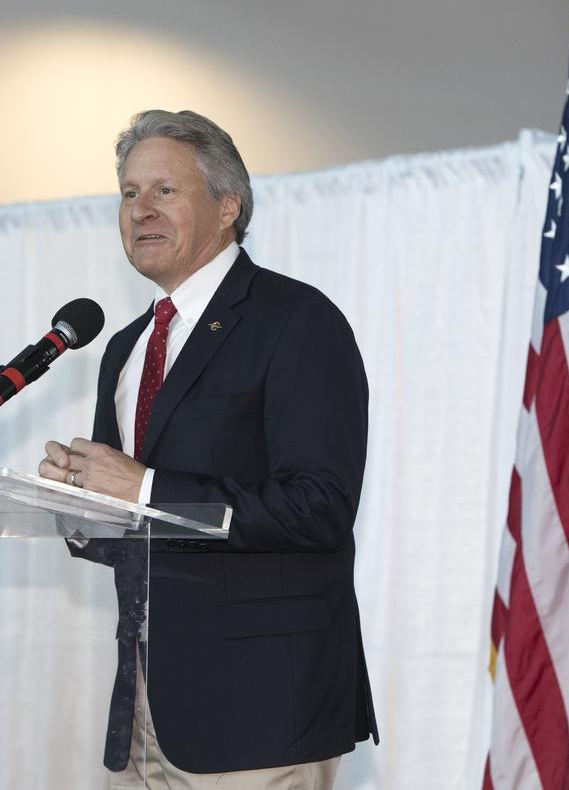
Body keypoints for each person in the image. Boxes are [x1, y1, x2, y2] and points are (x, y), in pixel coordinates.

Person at [39, 110, 377, 788]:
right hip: (143, 706)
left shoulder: (296, 321)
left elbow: (318, 506)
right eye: (129, 194)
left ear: (228, 207)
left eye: (165, 190)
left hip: (257, 712)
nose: (140, 210)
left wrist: (143, 487)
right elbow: (136, 523)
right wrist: (81, 503)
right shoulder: (125, 348)